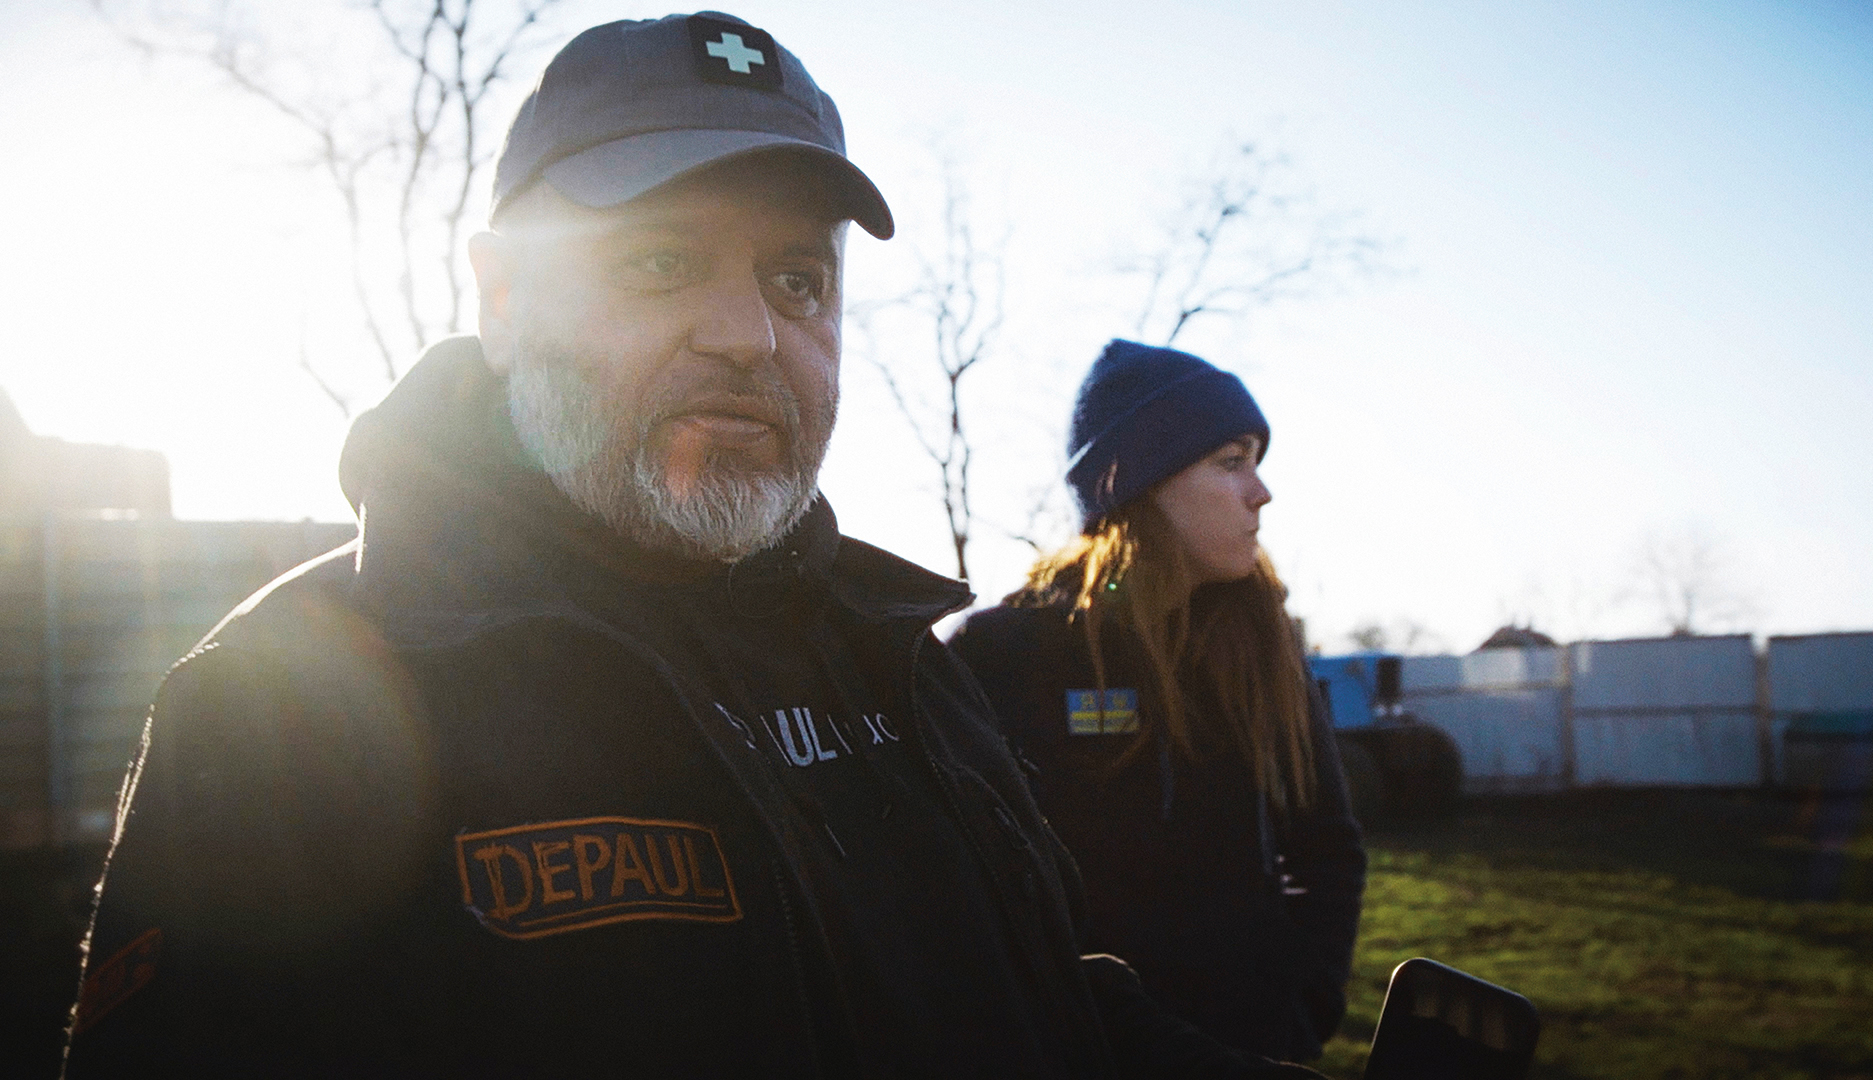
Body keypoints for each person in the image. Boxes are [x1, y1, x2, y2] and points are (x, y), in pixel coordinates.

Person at [62, 14, 1326, 1079]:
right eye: (662, 260)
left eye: (797, 282)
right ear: (503, 300)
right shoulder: (280, 706)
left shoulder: (904, 669)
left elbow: (1035, 1007)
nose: (750, 336)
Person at [950, 340, 1368, 1063]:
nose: (1260, 491)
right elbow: (960, 893)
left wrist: (1304, 1008)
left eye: (1256, 462)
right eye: (1231, 462)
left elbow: (1327, 848)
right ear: (1142, 484)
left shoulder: (1259, 646)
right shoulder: (1002, 655)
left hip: (1252, 1049)